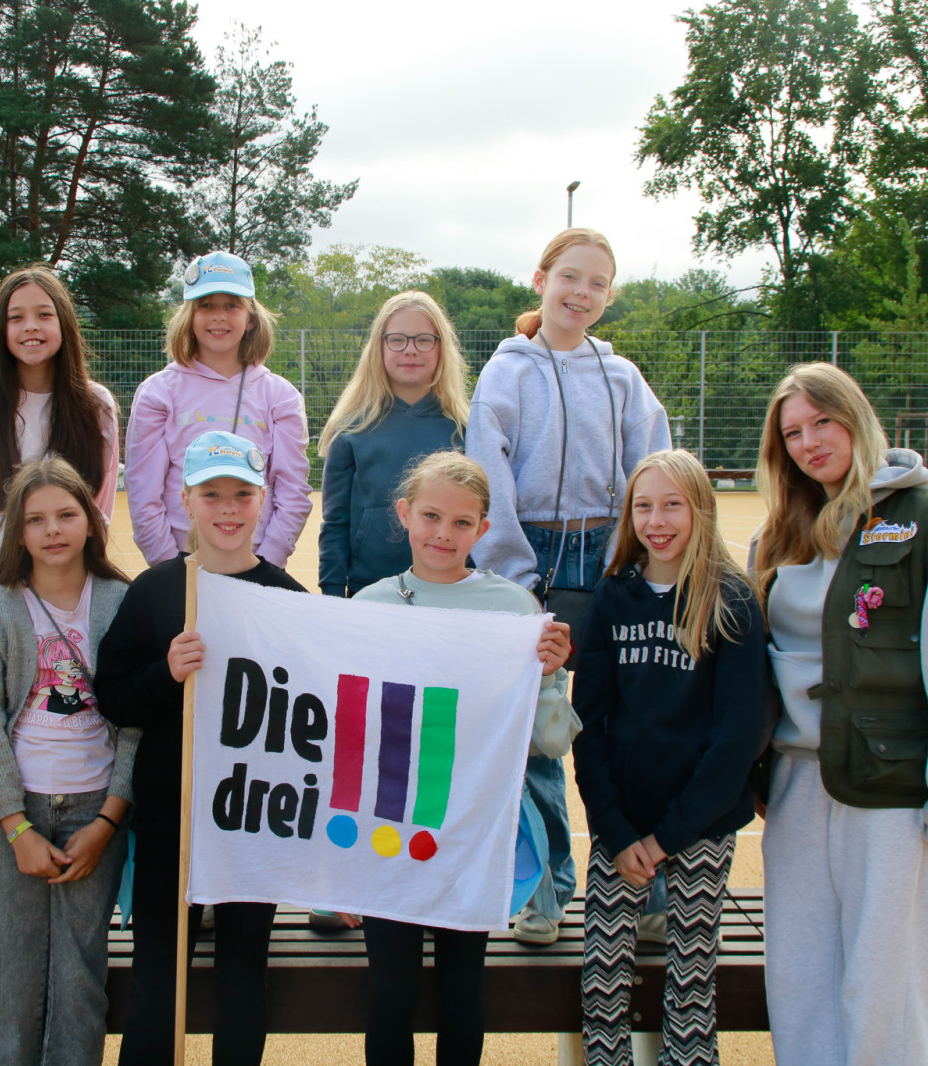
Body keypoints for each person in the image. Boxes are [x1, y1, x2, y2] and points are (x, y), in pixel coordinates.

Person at [752, 363, 928, 1066]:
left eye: (822, 422)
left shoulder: (925, 521)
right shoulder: (780, 534)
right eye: (792, 433)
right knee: (800, 977)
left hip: (887, 787)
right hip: (797, 784)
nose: (809, 443)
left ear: (856, 419)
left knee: (883, 980)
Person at [466, 227, 672, 944]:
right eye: (570, 277)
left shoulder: (623, 378)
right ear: (541, 280)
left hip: (612, 555)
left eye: (597, 283)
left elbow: (653, 466)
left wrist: (634, 556)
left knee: (630, 727)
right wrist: (514, 574)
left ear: (608, 295)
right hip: (534, 556)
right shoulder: (506, 373)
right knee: (538, 734)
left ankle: (646, 890)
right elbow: (488, 473)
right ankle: (546, 892)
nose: (582, 293)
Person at [349, 450, 577, 1066]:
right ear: (404, 514)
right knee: (390, 991)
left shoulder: (516, 611)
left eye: (461, 522)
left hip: (474, 835)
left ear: (483, 528)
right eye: (431, 516)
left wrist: (549, 678)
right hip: (389, 834)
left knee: (461, 988)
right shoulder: (367, 607)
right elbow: (350, 736)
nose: (443, 534)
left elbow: (550, 742)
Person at [95, 429, 308, 1066]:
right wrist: (166, 674)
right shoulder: (155, 591)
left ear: (262, 500)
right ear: (185, 500)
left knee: (243, 977)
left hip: (252, 823)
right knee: (159, 978)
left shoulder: (287, 599)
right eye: (211, 493)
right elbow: (114, 698)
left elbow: (316, 715)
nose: (227, 508)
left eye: (242, 493)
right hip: (171, 822)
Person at [572, 449, 769, 1066]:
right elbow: (589, 724)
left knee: (691, 983)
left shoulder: (732, 601)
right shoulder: (614, 597)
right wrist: (614, 828)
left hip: (700, 825)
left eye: (672, 505)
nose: (656, 521)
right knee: (602, 983)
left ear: (700, 510)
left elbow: (736, 738)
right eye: (643, 506)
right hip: (622, 826)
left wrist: (668, 838)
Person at [0, 456, 138, 1064]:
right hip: (20, 816)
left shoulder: (122, 602)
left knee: (79, 978)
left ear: (91, 520)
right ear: (18, 531)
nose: (53, 530)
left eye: (66, 514)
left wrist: (108, 821)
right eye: (35, 519)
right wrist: (15, 826)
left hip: (96, 812)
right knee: (3, 974)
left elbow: (135, 727)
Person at [0, 265, 120, 614]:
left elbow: (100, 506)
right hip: (5, 567)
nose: (31, 326)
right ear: (2, 330)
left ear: (64, 323)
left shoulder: (97, 405)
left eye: (44, 314)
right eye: (16, 317)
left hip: (76, 570)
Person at [122, 249, 310, 569]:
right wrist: (169, 569)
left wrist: (265, 567)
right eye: (206, 305)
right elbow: (143, 494)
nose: (219, 316)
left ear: (250, 318)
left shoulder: (281, 396)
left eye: (232, 305)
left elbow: (293, 493)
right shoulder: (158, 392)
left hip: (255, 564)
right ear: (189, 316)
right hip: (181, 565)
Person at [318, 290, 470, 598]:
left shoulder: (464, 431)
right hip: (369, 593)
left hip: (449, 594)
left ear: (441, 348)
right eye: (397, 340)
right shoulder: (351, 429)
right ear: (379, 346)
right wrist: (332, 595)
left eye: (424, 340)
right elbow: (335, 523)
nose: (410, 350)